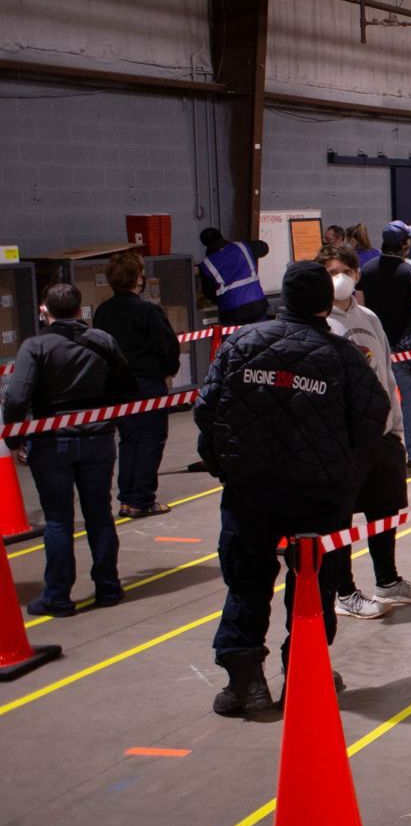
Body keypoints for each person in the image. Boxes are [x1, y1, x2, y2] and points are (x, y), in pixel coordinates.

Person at [198, 261, 389, 716]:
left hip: (250, 488)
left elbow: (206, 411)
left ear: (282, 297)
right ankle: (305, 669)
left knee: (245, 580)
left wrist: (225, 462)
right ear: (327, 303)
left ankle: (245, 682)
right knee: (313, 585)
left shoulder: (240, 344)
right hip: (317, 493)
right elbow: (372, 418)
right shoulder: (341, 355)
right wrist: (338, 460)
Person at [321, 244, 411, 619]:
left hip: (381, 435)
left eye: (343, 270)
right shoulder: (320, 323)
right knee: (339, 521)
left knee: (383, 512)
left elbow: (386, 375)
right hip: (343, 440)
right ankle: (343, 591)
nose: (338, 278)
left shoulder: (369, 318)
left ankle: (387, 580)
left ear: (356, 274)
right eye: (329, 271)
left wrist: (397, 429)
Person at [4, 283, 132, 616]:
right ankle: (108, 587)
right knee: (99, 515)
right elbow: (126, 387)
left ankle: (58, 596)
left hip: (51, 441)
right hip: (98, 438)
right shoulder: (103, 341)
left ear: (44, 310)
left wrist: (15, 439)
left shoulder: (36, 346)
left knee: (59, 520)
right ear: (79, 310)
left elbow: (17, 398)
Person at [93, 250, 179, 518]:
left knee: (129, 440)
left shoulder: (103, 312)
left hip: (118, 385)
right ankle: (141, 499)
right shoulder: (148, 310)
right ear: (137, 278)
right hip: (147, 384)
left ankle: (127, 498)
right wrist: (168, 370)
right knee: (151, 439)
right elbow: (167, 347)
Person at [358, 220, 411, 468]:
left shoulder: (366, 270)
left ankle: (377, 455)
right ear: (405, 245)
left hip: (376, 348)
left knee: (377, 403)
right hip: (406, 351)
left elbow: (361, 306)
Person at [197, 227, 271, 326]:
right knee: (259, 338)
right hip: (257, 304)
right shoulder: (243, 247)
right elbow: (264, 248)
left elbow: (209, 294)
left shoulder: (206, 265)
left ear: (205, 244)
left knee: (235, 340)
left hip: (231, 311)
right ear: (221, 236)